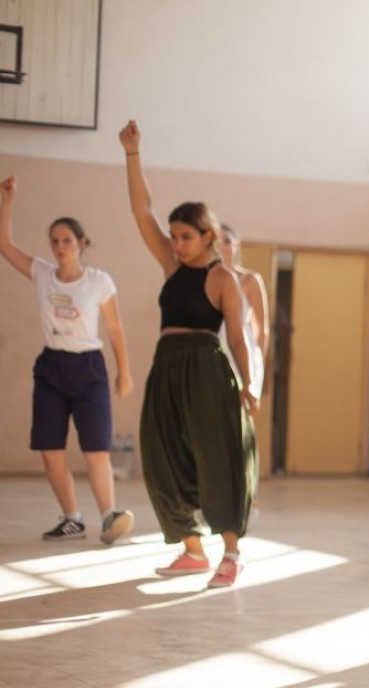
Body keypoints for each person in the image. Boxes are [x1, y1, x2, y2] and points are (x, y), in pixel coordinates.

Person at [119, 120, 258, 588]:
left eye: (185, 237)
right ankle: (193, 551)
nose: (176, 244)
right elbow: (141, 211)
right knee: (160, 455)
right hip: (166, 366)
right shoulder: (170, 264)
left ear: (207, 236)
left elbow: (238, 338)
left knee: (216, 458)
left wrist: (250, 382)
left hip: (205, 370)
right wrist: (133, 154)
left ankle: (231, 553)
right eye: (174, 236)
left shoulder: (223, 279)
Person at [0, 176, 135, 544]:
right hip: (52, 367)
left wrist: (124, 372)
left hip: (89, 368)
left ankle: (109, 516)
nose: (60, 246)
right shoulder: (42, 273)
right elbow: (5, 245)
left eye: (67, 240)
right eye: (55, 241)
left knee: (96, 448)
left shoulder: (99, 281)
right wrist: (8, 199)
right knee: (49, 449)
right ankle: (72, 518)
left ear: (82, 244)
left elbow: (116, 329)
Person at [219, 224, 270, 399]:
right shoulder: (206, 280)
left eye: (227, 241)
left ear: (236, 244)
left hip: (241, 350)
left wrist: (257, 366)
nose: (222, 247)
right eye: (217, 242)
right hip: (214, 350)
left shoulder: (250, 280)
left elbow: (262, 329)